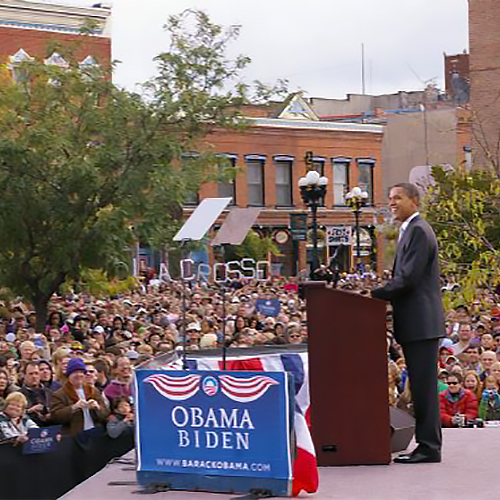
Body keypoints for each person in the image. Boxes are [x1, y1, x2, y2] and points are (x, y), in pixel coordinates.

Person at [372, 183, 444, 464]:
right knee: (421, 388)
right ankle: (427, 444)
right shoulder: (410, 230)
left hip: (421, 323)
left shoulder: (418, 230)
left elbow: (408, 278)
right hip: (417, 323)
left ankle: (429, 447)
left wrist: (374, 294)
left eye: (397, 198)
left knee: (424, 389)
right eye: (389, 198)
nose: (392, 203)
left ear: (414, 201)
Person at [50, 357, 108, 435]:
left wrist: (97, 407)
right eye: (75, 372)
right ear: (69, 375)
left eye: (81, 372)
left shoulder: (93, 391)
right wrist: (74, 407)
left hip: (95, 433)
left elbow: (105, 414)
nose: (79, 375)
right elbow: (55, 417)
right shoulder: (59, 394)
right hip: (74, 436)